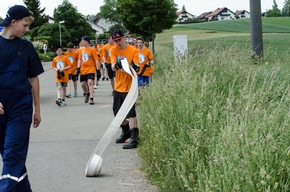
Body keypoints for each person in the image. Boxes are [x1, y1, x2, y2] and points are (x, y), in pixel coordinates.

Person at [0, 5, 44, 191]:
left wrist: (37, 109)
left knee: (12, 153)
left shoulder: (26, 47)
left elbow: (33, 78)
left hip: (21, 107)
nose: (27, 29)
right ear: (13, 22)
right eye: (25, 25)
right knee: (11, 155)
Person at [110, 30, 140, 149]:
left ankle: (134, 137)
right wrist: (116, 65)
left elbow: (137, 67)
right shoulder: (113, 50)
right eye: (115, 40)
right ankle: (126, 131)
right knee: (117, 113)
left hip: (130, 86)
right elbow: (112, 66)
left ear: (124, 38)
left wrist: (131, 67)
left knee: (131, 112)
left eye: (119, 40)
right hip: (119, 86)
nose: (118, 42)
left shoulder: (133, 50)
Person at [77, 36, 100, 105]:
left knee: (90, 82)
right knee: (83, 84)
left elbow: (96, 60)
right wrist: (78, 68)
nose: (82, 42)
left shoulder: (92, 50)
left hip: (91, 68)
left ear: (87, 41)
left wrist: (98, 69)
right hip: (83, 69)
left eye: (83, 41)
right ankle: (87, 93)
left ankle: (91, 98)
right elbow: (79, 59)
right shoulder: (81, 50)